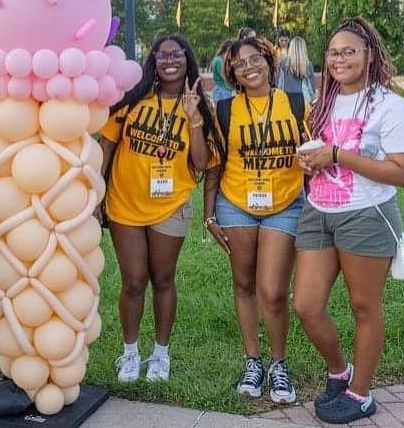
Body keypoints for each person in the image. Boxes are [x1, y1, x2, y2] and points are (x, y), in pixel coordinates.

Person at [295, 17, 404, 425]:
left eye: (350, 51)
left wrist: (336, 156)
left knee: (364, 307)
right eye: (333, 52)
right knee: (307, 307)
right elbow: (324, 154)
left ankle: (361, 394)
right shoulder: (324, 101)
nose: (340, 58)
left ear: (369, 55)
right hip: (319, 211)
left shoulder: (389, 104)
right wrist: (311, 162)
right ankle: (339, 372)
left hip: (367, 215)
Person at [100, 34, 221, 383]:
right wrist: (95, 197)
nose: (169, 60)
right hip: (124, 203)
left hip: (171, 205)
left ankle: (160, 354)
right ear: (153, 60)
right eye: (162, 54)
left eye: (177, 53)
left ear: (188, 59)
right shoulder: (132, 99)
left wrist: (193, 116)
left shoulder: (200, 104)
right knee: (133, 281)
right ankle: (130, 352)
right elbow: (106, 148)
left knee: (163, 279)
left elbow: (200, 162)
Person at [203, 35, 307, 403]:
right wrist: (208, 214)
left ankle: (279, 364)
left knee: (272, 291)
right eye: (239, 63)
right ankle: (253, 361)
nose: (248, 67)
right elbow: (215, 164)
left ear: (268, 60)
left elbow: (311, 154)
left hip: (286, 204)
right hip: (236, 204)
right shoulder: (226, 109)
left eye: (254, 59)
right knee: (243, 284)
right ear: (231, 72)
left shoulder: (295, 103)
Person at [277, 37, 316, 104]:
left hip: (286, 98)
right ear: (304, 48)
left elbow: (279, 84)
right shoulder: (308, 65)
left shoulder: (283, 63)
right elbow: (312, 89)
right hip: (303, 99)